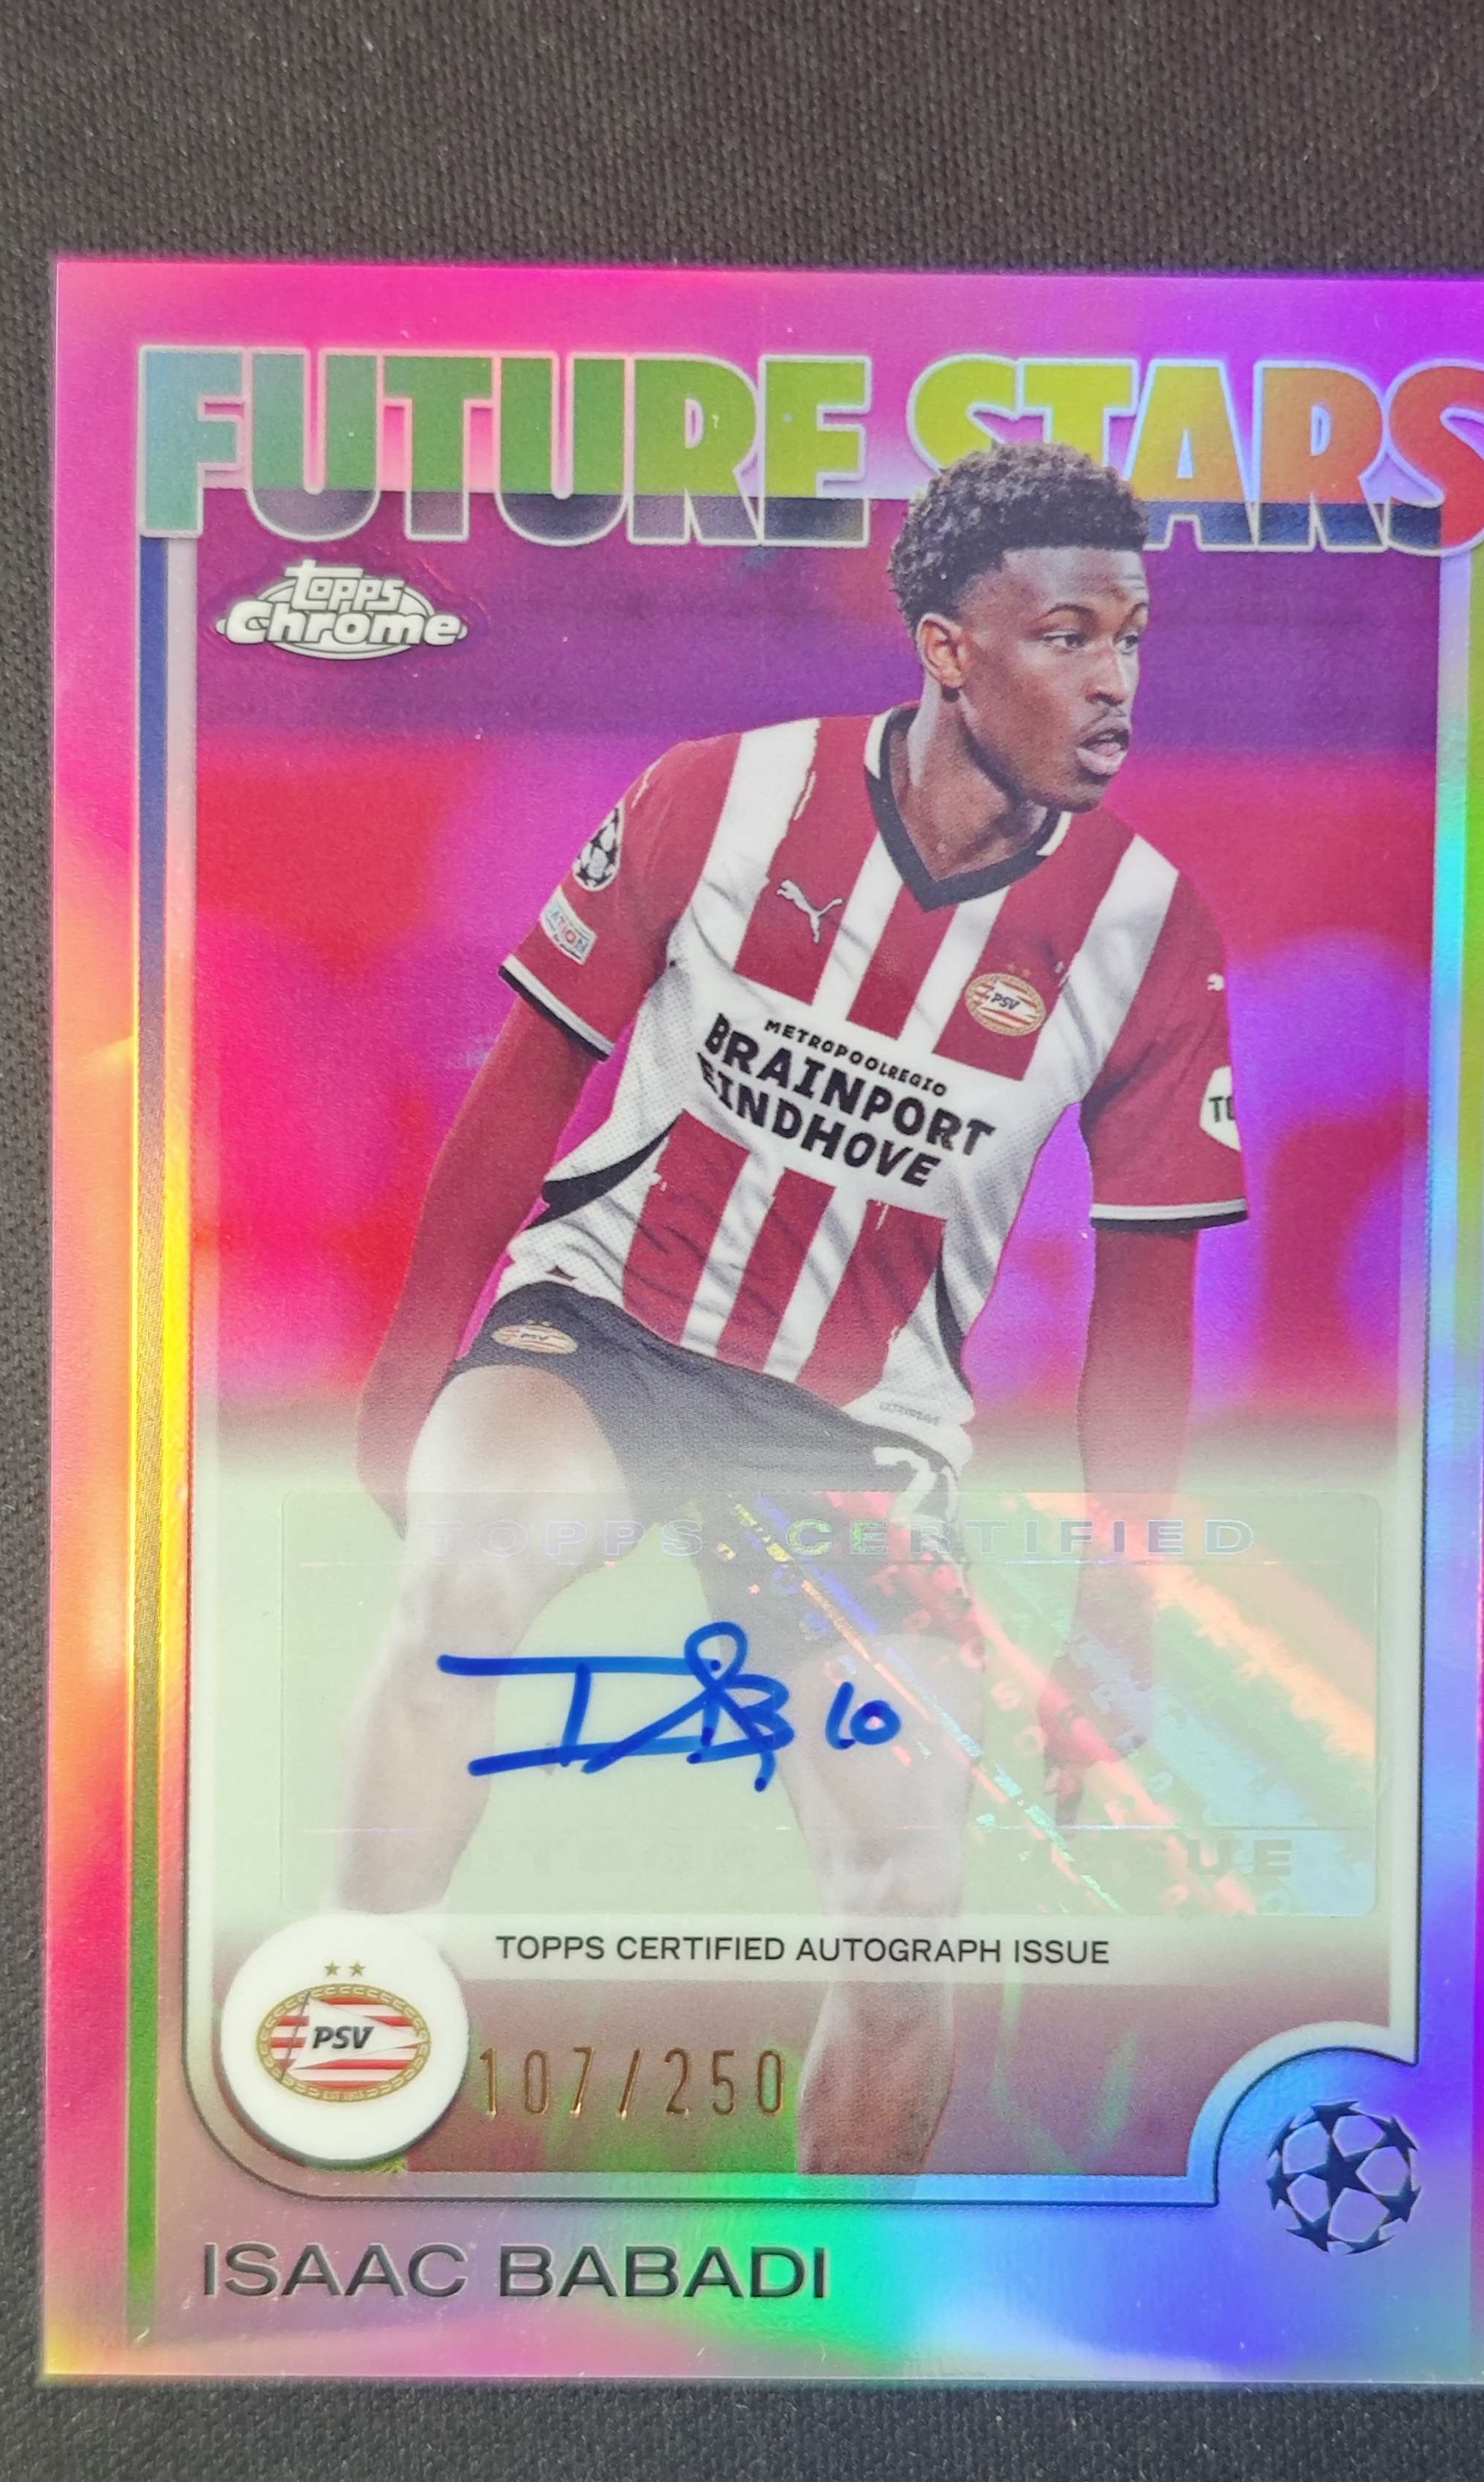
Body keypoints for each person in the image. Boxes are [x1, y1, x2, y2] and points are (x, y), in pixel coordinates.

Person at [343, 442, 1247, 2172]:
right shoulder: (725, 795)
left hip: (855, 1436)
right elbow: (532, 1071)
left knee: (908, 1905)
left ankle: (842, 2275)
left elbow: (1147, 1303)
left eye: (1131, 635)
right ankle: (351, 2025)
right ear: (947, 647)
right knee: (462, 1578)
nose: (1113, 679)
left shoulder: (1148, 929)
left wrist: (1118, 1616)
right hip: (603, 1336)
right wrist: (411, 1364)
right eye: (1066, 634)